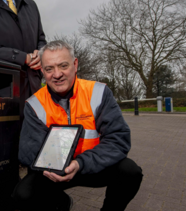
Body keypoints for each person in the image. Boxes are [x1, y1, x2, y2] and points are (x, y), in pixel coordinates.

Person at [12, 40, 143, 211]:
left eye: (63, 66)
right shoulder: (34, 104)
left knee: (130, 171)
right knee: (22, 195)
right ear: (42, 71)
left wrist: (80, 163)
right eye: (49, 69)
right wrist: (53, 167)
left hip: (92, 164)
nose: (57, 74)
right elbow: (29, 152)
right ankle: (61, 203)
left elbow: (118, 140)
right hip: (54, 172)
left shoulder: (98, 92)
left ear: (75, 64)